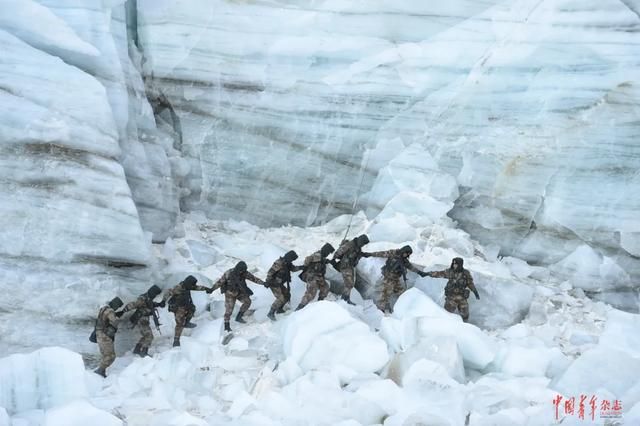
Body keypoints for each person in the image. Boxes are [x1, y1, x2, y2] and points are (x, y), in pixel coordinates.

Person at [367, 245, 425, 313]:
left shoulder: (404, 261)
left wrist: (420, 272)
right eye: (407, 253)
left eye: (408, 254)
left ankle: (405, 307)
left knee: (401, 293)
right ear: (404, 251)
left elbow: (411, 267)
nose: (406, 255)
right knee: (386, 294)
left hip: (395, 280)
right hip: (388, 278)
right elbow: (382, 253)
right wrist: (371, 254)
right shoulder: (393, 253)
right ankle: (381, 310)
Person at [212, 261, 265, 332]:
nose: (242, 272)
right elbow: (220, 282)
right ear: (238, 269)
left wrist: (264, 283)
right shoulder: (229, 273)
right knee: (229, 310)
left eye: (243, 270)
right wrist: (212, 289)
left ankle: (239, 317)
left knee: (247, 302)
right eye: (241, 270)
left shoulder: (244, 273)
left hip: (240, 292)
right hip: (230, 294)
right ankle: (226, 325)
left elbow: (254, 279)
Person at [162, 275, 214, 347]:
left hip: (185, 304)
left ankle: (187, 323)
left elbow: (196, 287)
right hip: (178, 307)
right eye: (192, 284)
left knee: (192, 308)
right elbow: (168, 292)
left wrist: (207, 289)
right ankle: (176, 340)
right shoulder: (178, 288)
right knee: (180, 324)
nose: (193, 286)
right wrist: (163, 301)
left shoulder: (188, 285)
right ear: (189, 283)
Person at [424, 257, 479, 322]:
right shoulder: (450, 272)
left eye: (456, 264)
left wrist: (475, 291)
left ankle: (464, 328)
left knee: (465, 314)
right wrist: (428, 273)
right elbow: (439, 274)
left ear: (460, 264)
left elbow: (470, 283)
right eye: (453, 264)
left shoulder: (466, 273)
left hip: (462, 297)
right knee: (446, 314)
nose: (454, 265)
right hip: (451, 297)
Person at [120, 285, 163, 357]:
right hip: (141, 320)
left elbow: (150, 305)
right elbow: (134, 304)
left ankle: (137, 349)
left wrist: (158, 304)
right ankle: (144, 352)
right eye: (155, 294)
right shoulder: (143, 299)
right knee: (149, 336)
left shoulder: (148, 298)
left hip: (144, 321)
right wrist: (125, 310)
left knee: (145, 336)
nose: (155, 295)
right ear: (152, 292)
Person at [331, 234, 371, 305]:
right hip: (345, 266)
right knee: (349, 283)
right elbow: (340, 251)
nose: (363, 245)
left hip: (350, 266)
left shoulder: (358, 247)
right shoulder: (350, 244)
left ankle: (346, 298)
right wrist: (334, 259)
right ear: (360, 241)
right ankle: (345, 299)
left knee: (351, 283)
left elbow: (357, 255)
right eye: (363, 243)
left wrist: (364, 254)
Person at [265, 250, 303, 320]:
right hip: (273, 283)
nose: (292, 261)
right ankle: (271, 313)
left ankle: (280, 309)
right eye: (292, 259)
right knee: (280, 298)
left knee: (287, 295)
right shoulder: (279, 263)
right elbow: (270, 273)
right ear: (289, 257)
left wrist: (302, 267)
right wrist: (267, 281)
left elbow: (293, 269)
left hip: (279, 283)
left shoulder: (287, 263)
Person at [295, 243, 335, 311]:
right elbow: (307, 260)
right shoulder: (317, 255)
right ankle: (300, 307)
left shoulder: (322, 256)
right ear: (326, 251)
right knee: (311, 293)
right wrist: (307, 264)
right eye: (328, 253)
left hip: (319, 277)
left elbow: (323, 261)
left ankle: (319, 303)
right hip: (312, 276)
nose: (328, 254)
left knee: (325, 287)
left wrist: (329, 261)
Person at [93, 296, 124, 377]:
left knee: (105, 355)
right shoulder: (110, 311)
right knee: (111, 356)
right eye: (118, 306)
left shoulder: (103, 309)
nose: (117, 308)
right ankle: (100, 370)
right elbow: (114, 321)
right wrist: (117, 317)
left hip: (99, 334)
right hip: (104, 336)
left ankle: (101, 371)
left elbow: (104, 320)